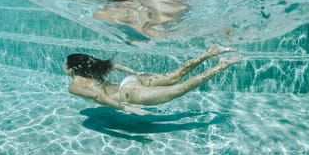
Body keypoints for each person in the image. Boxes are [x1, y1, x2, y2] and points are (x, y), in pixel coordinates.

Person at [63, 45, 240, 115]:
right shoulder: (95, 70)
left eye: (64, 63)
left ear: (71, 69)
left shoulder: (75, 85)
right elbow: (115, 66)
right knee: (174, 76)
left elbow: (98, 97)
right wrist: (134, 72)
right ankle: (209, 53)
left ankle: (220, 66)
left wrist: (125, 107)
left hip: (128, 94)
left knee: (179, 88)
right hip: (130, 81)